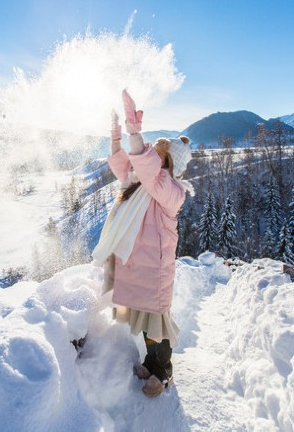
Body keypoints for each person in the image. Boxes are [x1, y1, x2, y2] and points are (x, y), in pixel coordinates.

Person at [92, 89, 193, 397]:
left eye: (157, 152)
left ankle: (164, 373)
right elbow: (124, 167)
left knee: (156, 324)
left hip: (155, 270)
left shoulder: (171, 191)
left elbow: (146, 169)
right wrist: (116, 135)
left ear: (169, 164)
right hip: (139, 266)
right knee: (146, 321)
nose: (149, 153)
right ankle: (150, 363)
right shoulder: (140, 183)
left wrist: (135, 132)